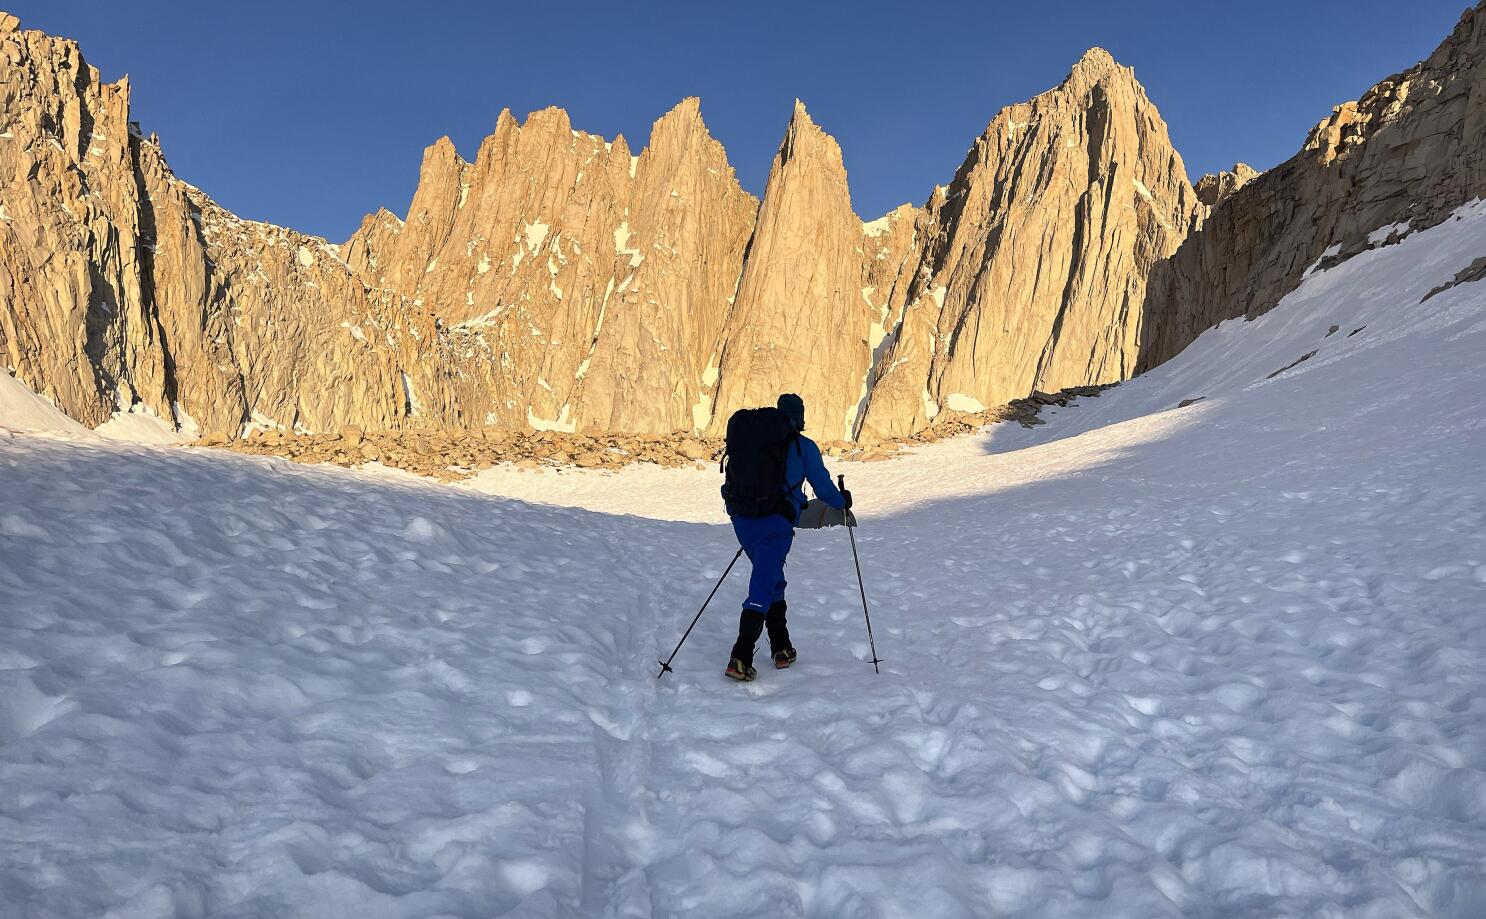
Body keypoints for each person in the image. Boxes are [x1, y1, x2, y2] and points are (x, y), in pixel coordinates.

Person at [722, 393, 851, 681]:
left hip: (743, 520)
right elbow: (823, 488)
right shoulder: (803, 446)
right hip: (776, 523)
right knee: (763, 584)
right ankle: (740, 655)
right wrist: (842, 502)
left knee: (771, 576)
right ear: (800, 418)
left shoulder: (755, 442)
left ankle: (781, 646)